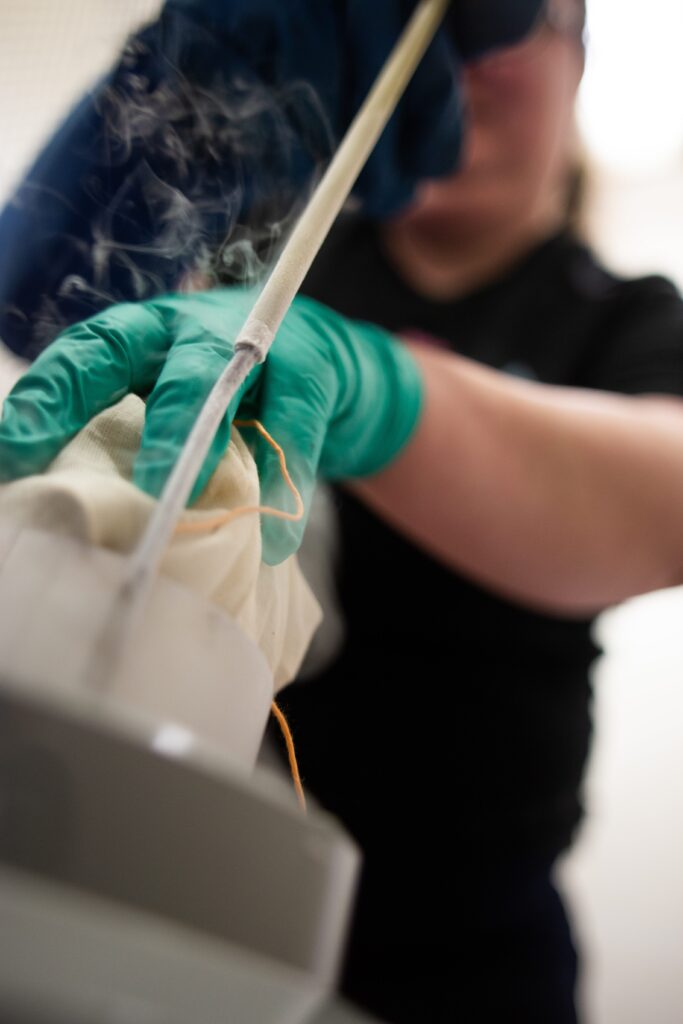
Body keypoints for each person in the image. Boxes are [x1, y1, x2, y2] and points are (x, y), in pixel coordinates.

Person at [1, 1, 683, 1021]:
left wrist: (381, 389)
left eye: (511, 18)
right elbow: (57, 295)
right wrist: (182, 85)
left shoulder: (624, 318)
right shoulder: (268, 252)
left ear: (576, 61)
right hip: (176, 914)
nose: (470, 59)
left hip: (462, 965)